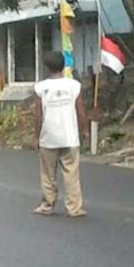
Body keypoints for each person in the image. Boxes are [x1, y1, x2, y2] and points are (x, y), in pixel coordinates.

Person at [32, 52, 89, 218]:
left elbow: (37, 115)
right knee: (71, 173)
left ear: (46, 67)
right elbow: (81, 111)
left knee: (48, 175)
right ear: (64, 66)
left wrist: (36, 137)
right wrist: (84, 130)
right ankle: (74, 208)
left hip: (48, 138)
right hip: (70, 137)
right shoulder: (73, 85)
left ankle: (47, 205)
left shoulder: (40, 88)